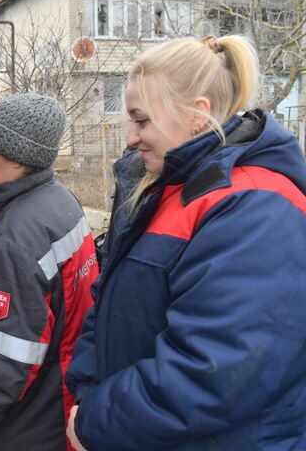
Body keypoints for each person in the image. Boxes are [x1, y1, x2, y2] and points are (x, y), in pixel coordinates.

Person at [65, 35, 306, 450]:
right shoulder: (169, 191)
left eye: (141, 120)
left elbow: (215, 369)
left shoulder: (254, 205)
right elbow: (107, 303)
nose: (129, 136)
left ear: (197, 115)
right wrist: (87, 394)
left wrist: (98, 419)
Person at [0, 94, 99, 451]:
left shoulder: (13, 239)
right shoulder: (60, 200)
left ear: (16, 158)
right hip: (63, 389)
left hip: (30, 419)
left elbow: (2, 351)